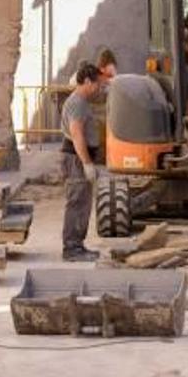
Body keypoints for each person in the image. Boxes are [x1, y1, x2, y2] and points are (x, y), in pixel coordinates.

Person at [60, 64, 104, 262]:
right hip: (76, 159)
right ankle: (72, 248)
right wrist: (86, 163)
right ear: (87, 81)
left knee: (82, 203)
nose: (98, 88)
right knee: (77, 203)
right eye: (97, 84)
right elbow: (77, 135)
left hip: (78, 158)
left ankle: (77, 245)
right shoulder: (77, 103)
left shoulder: (80, 101)